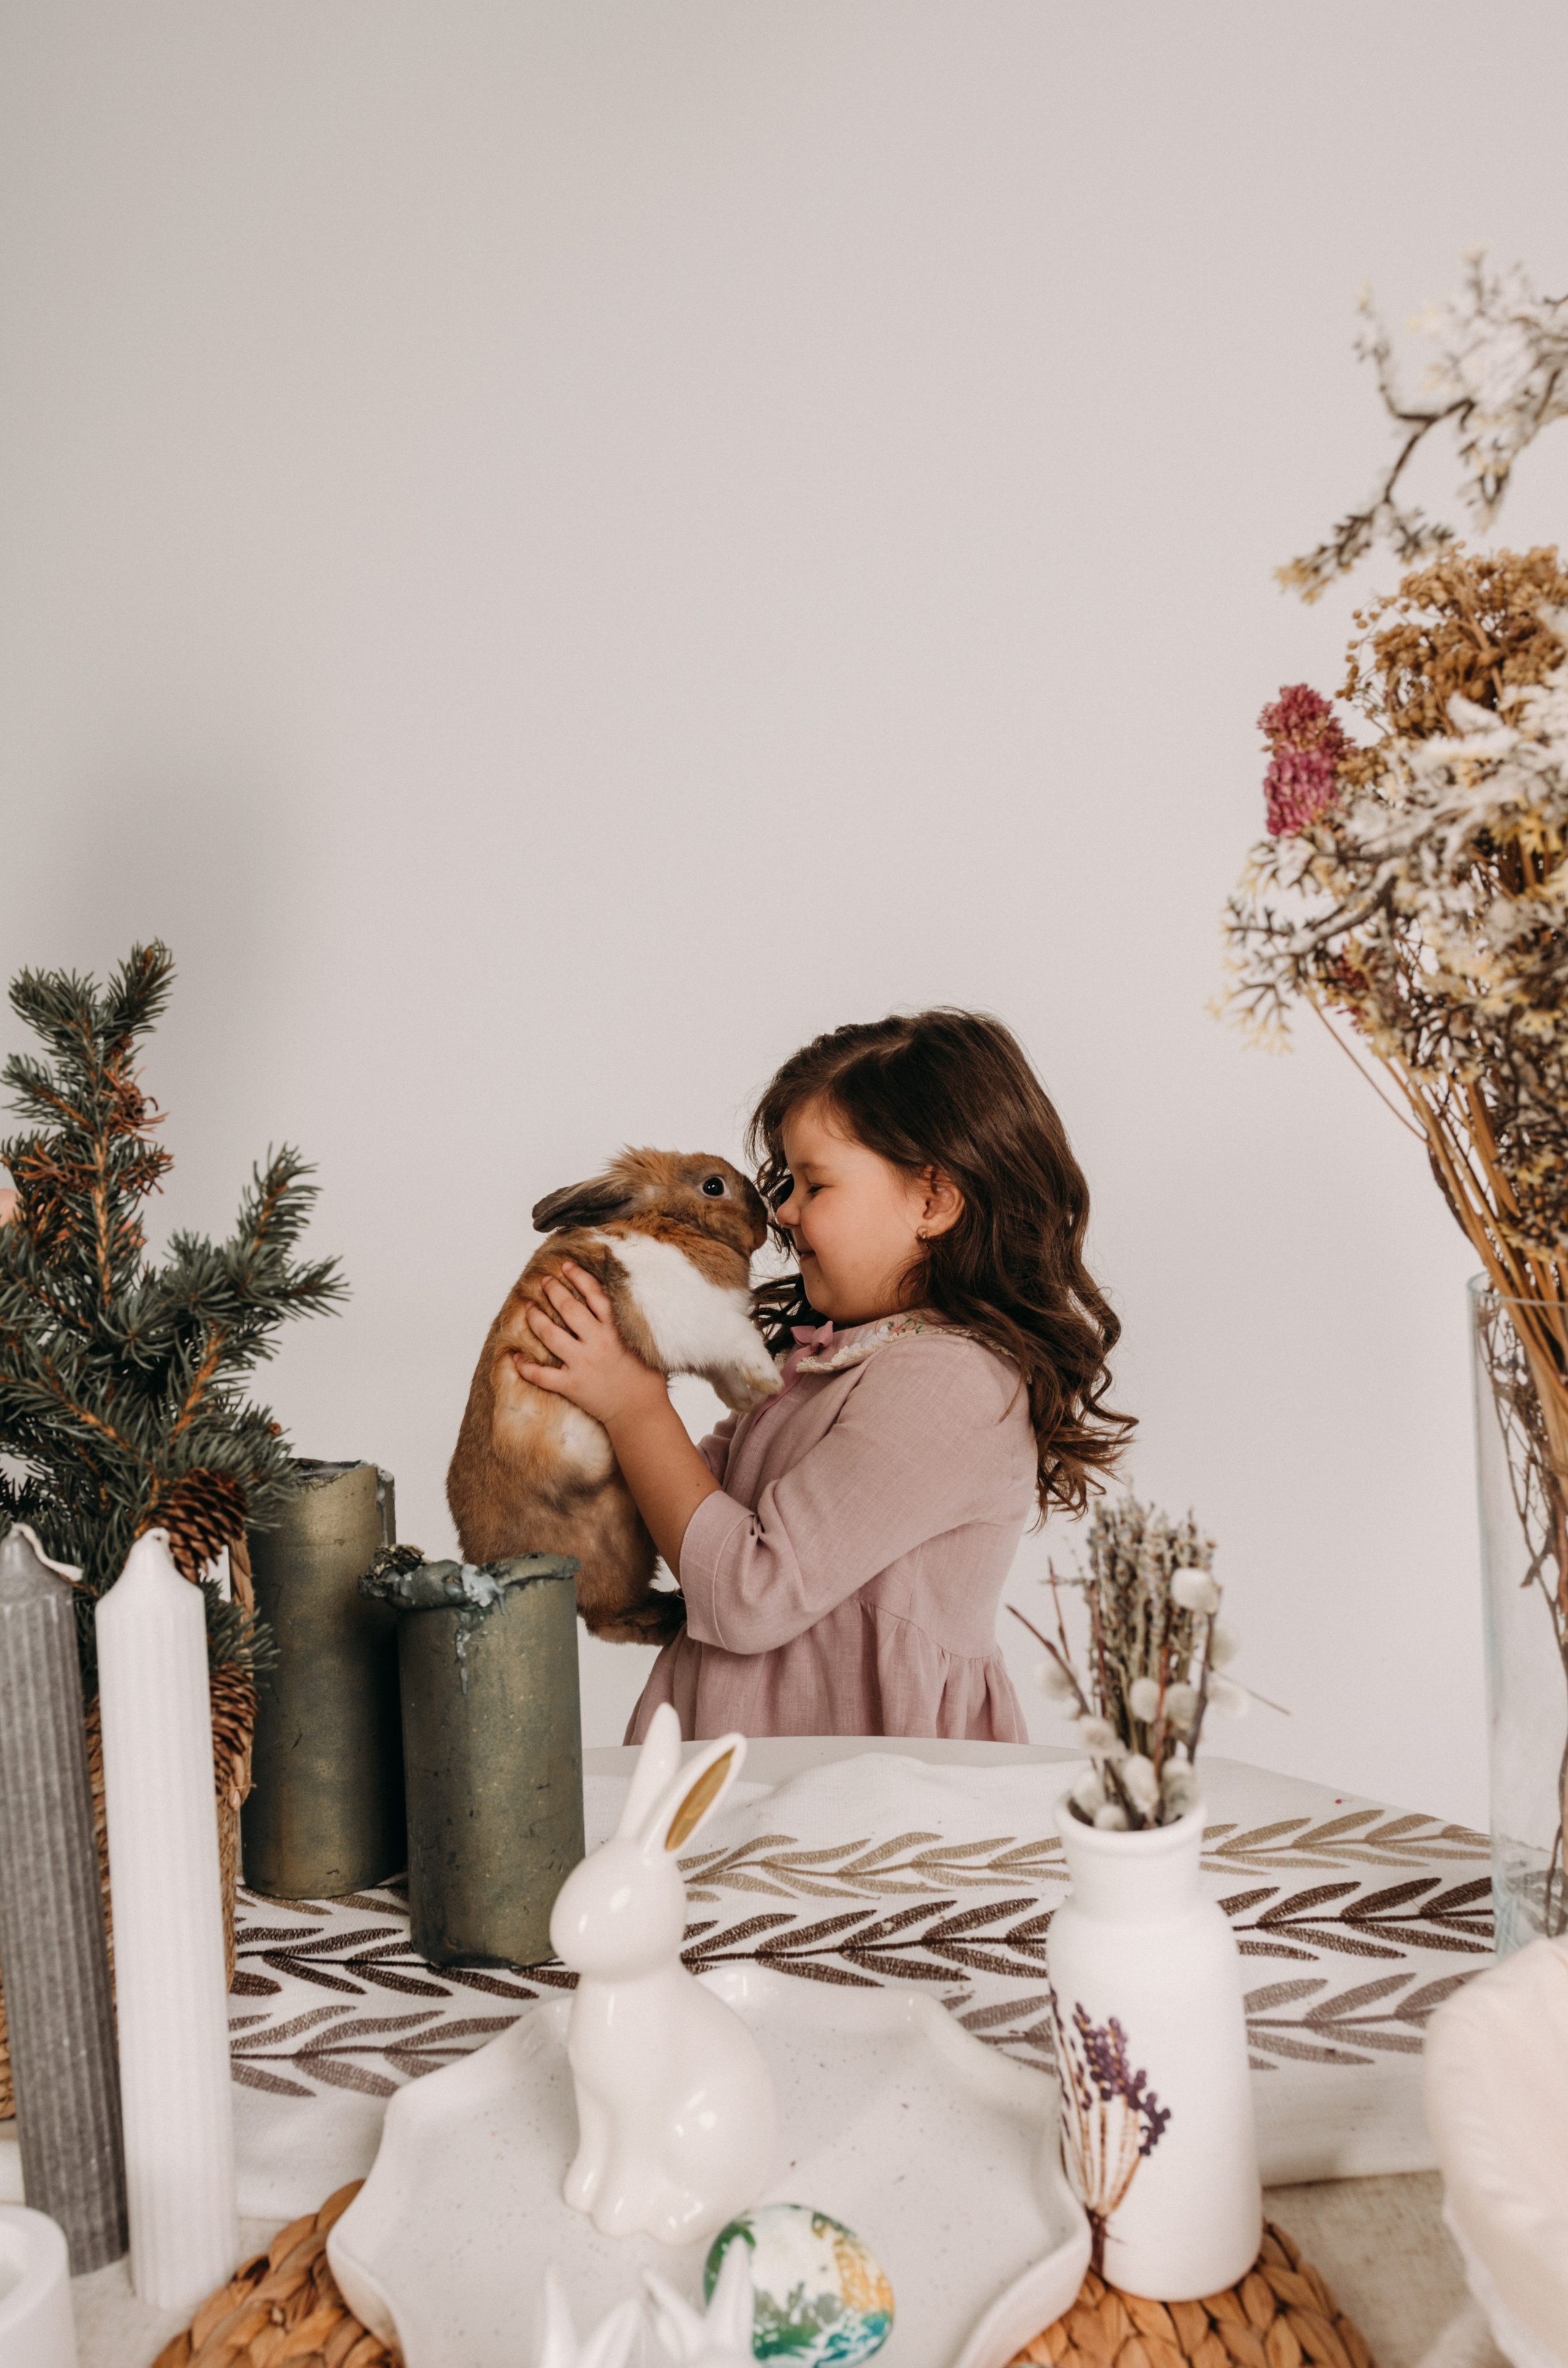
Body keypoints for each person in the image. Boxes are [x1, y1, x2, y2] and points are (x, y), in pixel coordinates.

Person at [516, 1010, 1133, 1741]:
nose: (782, 1210)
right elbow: (690, 1523)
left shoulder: (952, 1383)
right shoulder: (829, 1360)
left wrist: (634, 1407)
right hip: (753, 1766)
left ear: (932, 1201)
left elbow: (748, 1592)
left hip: (867, 1795)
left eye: (814, 1184)